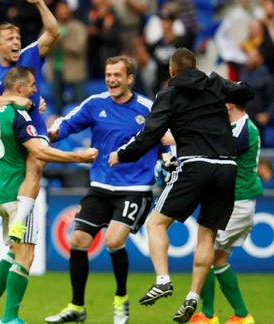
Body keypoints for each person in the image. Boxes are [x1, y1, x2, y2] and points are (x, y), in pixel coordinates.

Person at [108, 48, 255, 323]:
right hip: (227, 168)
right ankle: (192, 297)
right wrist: (229, 88)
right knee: (207, 236)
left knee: (156, 224)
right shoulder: (214, 83)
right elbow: (246, 92)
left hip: (195, 165)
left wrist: (122, 155)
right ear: (196, 67)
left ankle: (163, 279)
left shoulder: (168, 95)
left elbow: (149, 134)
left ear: (172, 71)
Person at [0, 66, 98, 324]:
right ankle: (11, 318)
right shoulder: (17, 115)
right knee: (25, 257)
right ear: (18, 88)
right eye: (31, 85)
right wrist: (79, 157)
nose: (35, 89)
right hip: (20, 197)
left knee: (12, 252)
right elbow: (39, 152)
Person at [44, 56, 158, 324]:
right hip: (100, 186)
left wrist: (169, 157)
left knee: (113, 241)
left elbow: (167, 138)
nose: (111, 80)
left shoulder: (147, 108)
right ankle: (77, 307)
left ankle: (121, 301)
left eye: (117, 75)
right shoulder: (95, 104)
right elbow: (66, 124)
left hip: (135, 187)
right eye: (108, 75)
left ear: (130, 78)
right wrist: (47, 134)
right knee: (78, 242)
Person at [0, 0, 59, 258]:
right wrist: (15, 99)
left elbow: (53, 33)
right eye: (10, 38)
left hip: (32, 131)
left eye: (17, 36)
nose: (16, 41)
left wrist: (40, 4)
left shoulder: (30, 55)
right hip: (4, 140)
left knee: (36, 165)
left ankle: (20, 221)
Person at [189, 103, 261, 324]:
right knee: (218, 259)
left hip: (236, 203)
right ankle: (241, 315)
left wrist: (181, 142)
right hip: (234, 202)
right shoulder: (238, 127)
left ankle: (208, 315)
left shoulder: (245, 129)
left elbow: (219, 150)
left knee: (204, 254)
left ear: (228, 105)